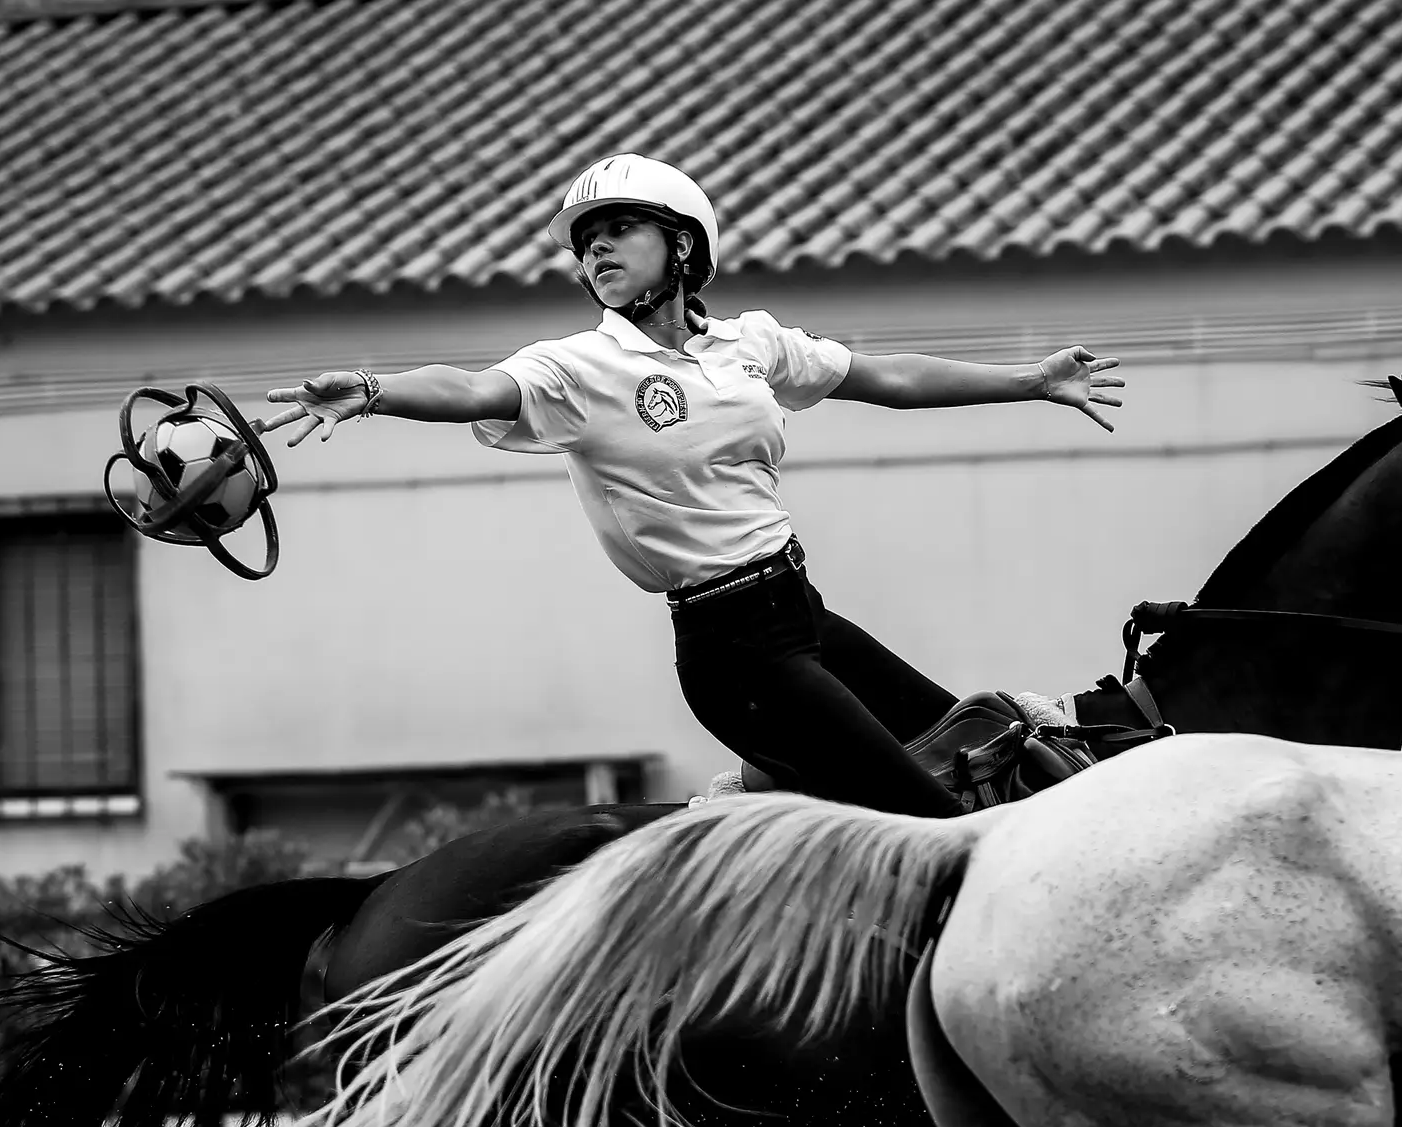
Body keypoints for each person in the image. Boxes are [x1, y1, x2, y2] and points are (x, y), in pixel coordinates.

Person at [262, 153, 1125, 821]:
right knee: (934, 823)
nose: (593, 247)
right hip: (733, 652)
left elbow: (886, 377)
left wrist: (1031, 382)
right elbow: (474, 389)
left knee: (987, 750)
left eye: (618, 229)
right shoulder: (579, 368)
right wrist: (375, 391)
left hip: (802, 615)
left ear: (682, 245)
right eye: (584, 240)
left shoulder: (747, 344)